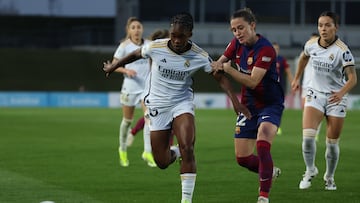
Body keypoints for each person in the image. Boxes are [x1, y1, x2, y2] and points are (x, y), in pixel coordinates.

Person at [103, 12, 250, 203]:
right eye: (173, 35)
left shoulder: (198, 55)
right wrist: (114, 66)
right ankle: (177, 151)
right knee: (162, 162)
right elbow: (134, 54)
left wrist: (235, 101)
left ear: (190, 34)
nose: (176, 40)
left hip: (182, 103)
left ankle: (186, 199)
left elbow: (219, 77)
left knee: (188, 146)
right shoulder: (156, 47)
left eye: (181, 36)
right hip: (157, 105)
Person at [211, 8, 283, 203]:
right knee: (242, 158)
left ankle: (263, 196)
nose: (237, 33)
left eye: (240, 28)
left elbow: (252, 82)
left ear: (252, 25)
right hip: (248, 105)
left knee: (262, 142)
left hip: (270, 104)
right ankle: (269, 170)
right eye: (233, 30)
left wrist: (227, 69)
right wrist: (219, 67)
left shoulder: (265, 49)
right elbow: (217, 66)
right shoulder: (235, 44)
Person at [291, 11, 357, 191]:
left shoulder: (343, 51)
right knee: (307, 139)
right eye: (320, 25)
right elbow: (304, 57)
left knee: (332, 143)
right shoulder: (311, 45)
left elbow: (353, 79)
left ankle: (329, 177)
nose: (323, 29)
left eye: (328, 25)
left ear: (336, 27)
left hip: (336, 98)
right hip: (315, 94)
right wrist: (297, 78)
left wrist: (341, 93)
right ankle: (310, 170)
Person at [111, 17, 156, 167]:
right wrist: (126, 70)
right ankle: (122, 149)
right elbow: (113, 65)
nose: (136, 29)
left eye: (138, 27)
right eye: (133, 27)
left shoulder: (149, 44)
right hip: (130, 88)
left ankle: (147, 152)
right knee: (127, 121)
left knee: (149, 118)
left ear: (142, 29)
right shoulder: (124, 46)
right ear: (128, 31)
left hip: (146, 89)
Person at [126, 29, 170, 147]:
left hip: (156, 89)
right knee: (157, 117)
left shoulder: (155, 51)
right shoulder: (157, 52)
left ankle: (134, 133)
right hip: (155, 90)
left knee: (157, 116)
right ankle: (166, 147)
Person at [300, 33, 322, 141]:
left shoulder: (322, 54)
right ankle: (309, 131)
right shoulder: (304, 53)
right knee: (305, 109)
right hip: (305, 85)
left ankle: (315, 132)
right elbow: (300, 67)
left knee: (316, 110)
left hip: (316, 86)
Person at [272, 42, 294, 135]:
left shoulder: (281, 60)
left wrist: (293, 83)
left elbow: (288, 72)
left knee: (278, 107)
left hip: (280, 88)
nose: (275, 51)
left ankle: (277, 126)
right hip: (268, 88)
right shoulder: (267, 58)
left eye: (277, 49)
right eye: (273, 49)